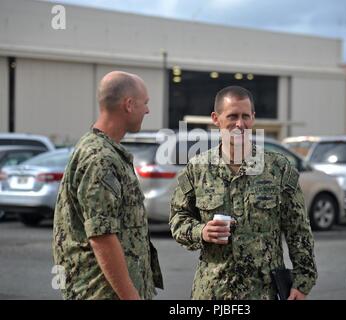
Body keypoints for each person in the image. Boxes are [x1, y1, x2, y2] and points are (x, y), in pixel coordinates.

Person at [169, 85, 317, 300]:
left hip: (264, 291)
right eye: (232, 116)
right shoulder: (197, 169)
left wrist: (303, 282)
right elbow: (177, 220)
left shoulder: (278, 168)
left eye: (245, 116)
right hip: (213, 291)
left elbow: (298, 229)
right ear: (215, 118)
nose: (240, 124)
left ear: (253, 118)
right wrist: (201, 231)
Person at [53, 71, 163, 300]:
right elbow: (102, 236)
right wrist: (131, 296)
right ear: (129, 104)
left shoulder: (105, 151)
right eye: (146, 103)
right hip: (102, 293)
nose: (148, 110)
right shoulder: (100, 158)